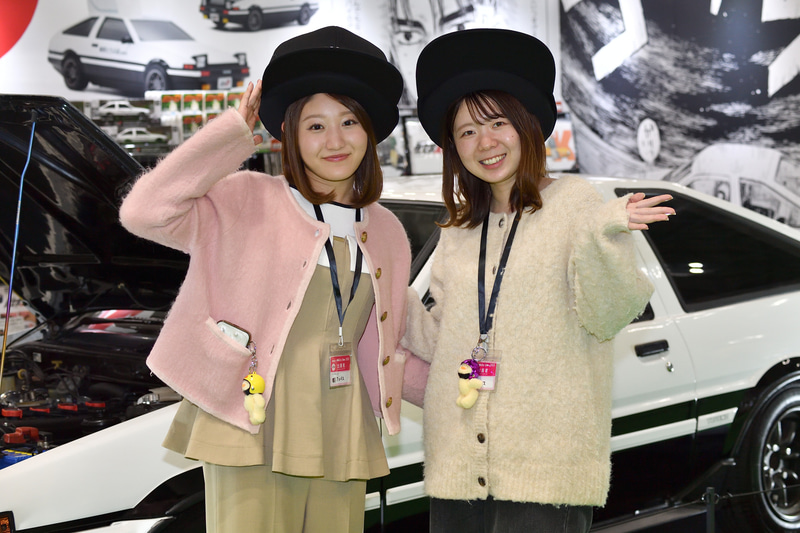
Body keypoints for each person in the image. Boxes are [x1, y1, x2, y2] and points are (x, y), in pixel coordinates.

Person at [119, 26, 426, 533]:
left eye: (349, 121)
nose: (335, 141)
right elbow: (144, 213)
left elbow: (390, 346)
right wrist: (230, 136)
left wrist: (467, 400)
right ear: (289, 134)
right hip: (251, 415)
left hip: (341, 422)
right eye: (316, 125)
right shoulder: (245, 198)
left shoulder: (387, 230)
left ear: (369, 131)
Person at [401, 28, 676, 532]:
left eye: (497, 122)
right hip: (456, 469)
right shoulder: (458, 230)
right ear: (452, 146)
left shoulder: (575, 205)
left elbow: (608, 315)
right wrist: (388, 298)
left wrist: (601, 235)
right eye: (467, 131)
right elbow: (442, 343)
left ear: (526, 124)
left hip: (545, 476)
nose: (485, 142)